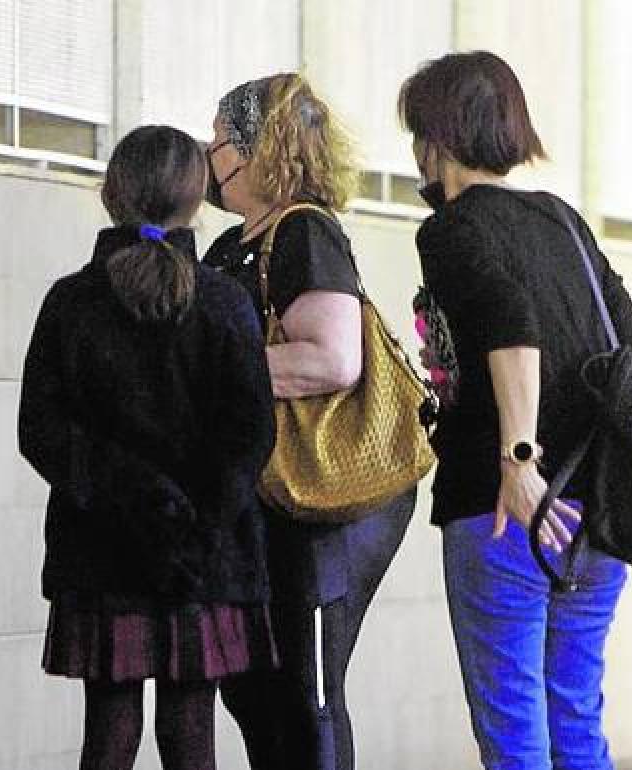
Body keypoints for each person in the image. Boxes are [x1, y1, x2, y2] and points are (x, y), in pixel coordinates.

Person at [399, 51, 632, 770]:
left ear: (436, 139)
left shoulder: (450, 229)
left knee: (514, 735)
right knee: (575, 718)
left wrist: (519, 459)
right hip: (597, 510)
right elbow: (626, 338)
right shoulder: (563, 222)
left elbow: (510, 318)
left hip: (507, 507)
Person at [18, 124, 278, 770]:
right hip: (206, 558)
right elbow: (250, 436)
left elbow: (41, 431)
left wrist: (128, 498)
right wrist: (195, 526)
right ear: (195, 200)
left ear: (112, 193)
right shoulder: (224, 303)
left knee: (107, 731)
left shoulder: (70, 302)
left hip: (100, 557)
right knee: (191, 731)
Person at [203, 74, 417, 770]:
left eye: (219, 140)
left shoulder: (305, 233)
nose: (210, 156)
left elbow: (333, 360)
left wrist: (214, 377)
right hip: (267, 499)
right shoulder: (235, 244)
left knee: (306, 684)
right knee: (253, 685)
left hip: (327, 501)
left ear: (255, 150)